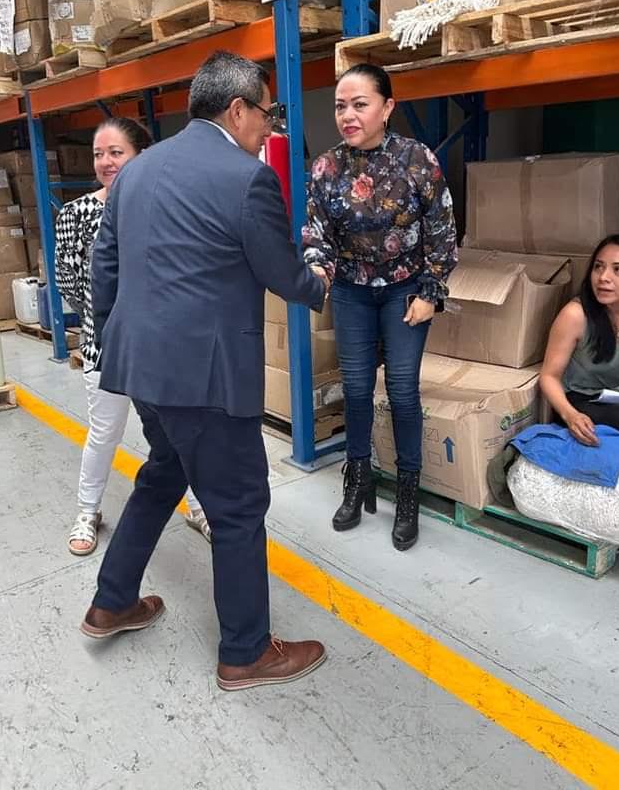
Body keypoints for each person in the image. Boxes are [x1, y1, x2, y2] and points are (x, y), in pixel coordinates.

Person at [79, 51, 328, 691]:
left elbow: (105, 268)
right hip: (204, 378)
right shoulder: (247, 178)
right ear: (237, 109)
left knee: (164, 472)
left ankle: (111, 602)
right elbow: (279, 270)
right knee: (239, 505)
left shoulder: (136, 172)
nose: (269, 128)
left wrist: (122, 338)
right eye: (267, 114)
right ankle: (246, 652)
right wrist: (318, 283)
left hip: (141, 368)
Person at [302, 63, 457, 552]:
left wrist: (431, 292)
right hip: (352, 290)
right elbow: (317, 234)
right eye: (340, 106)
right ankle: (358, 479)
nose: (347, 115)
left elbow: (442, 231)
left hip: (405, 289)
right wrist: (317, 271)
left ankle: (408, 491)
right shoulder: (326, 168)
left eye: (359, 104)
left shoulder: (417, 160)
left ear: (387, 107)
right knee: (355, 388)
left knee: (403, 389)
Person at [55, 118, 211, 555]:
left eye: (116, 152)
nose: (105, 162)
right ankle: (88, 511)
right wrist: (101, 322)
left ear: (142, 155)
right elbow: (68, 281)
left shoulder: (165, 207)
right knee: (105, 432)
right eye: (98, 154)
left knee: (177, 435)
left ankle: (198, 505)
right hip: (104, 347)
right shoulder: (77, 214)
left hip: (160, 349)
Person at [540, 233, 619, 581]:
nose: (604, 277)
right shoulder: (576, 314)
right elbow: (549, 377)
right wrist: (570, 414)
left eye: (618, 270)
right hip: (585, 402)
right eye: (599, 267)